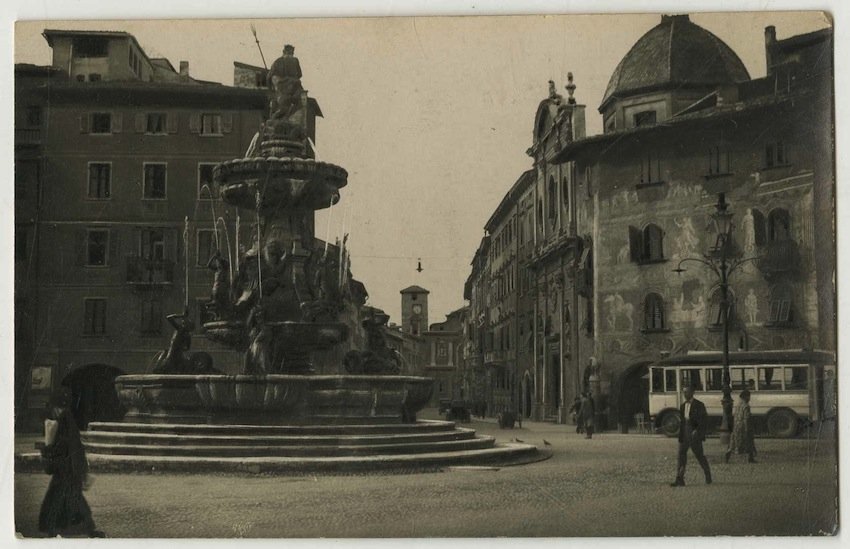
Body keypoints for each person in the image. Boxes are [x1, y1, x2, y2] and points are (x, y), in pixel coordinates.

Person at [39, 391, 104, 538]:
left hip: (66, 471)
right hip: (70, 471)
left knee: (59, 501)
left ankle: (56, 530)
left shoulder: (63, 421)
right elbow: (76, 448)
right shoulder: (68, 421)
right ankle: (87, 530)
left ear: (57, 407)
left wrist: (48, 446)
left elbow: (62, 447)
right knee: (72, 500)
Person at [670, 385, 712, 487]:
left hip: (694, 434)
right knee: (681, 455)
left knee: (699, 455)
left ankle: (708, 475)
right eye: (684, 392)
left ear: (692, 393)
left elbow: (704, 420)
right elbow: (682, 421)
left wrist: (697, 430)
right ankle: (679, 478)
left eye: (687, 392)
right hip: (685, 433)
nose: (685, 394)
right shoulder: (683, 406)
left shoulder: (699, 405)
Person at [725, 389, 756, 463]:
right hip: (743, 426)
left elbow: (735, 416)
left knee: (734, 442)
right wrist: (747, 428)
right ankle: (750, 458)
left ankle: (729, 453)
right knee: (749, 441)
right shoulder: (746, 406)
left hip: (736, 426)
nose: (749, 398)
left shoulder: (738, 405)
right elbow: (746, 418)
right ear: (746, 397)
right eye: (749, 396)